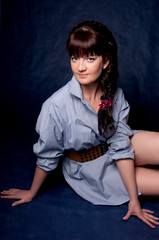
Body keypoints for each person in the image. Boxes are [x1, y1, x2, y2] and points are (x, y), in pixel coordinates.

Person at [1, 20, 159, 229]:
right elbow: (48, 155)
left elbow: (120, 145)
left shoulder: (113, 94)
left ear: (105, 62)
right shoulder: (55, 106)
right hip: (90, 169)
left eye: (90, 58)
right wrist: (31, 192)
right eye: (74, 58)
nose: (80, 67)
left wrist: (134, 198)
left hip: (114, 149)